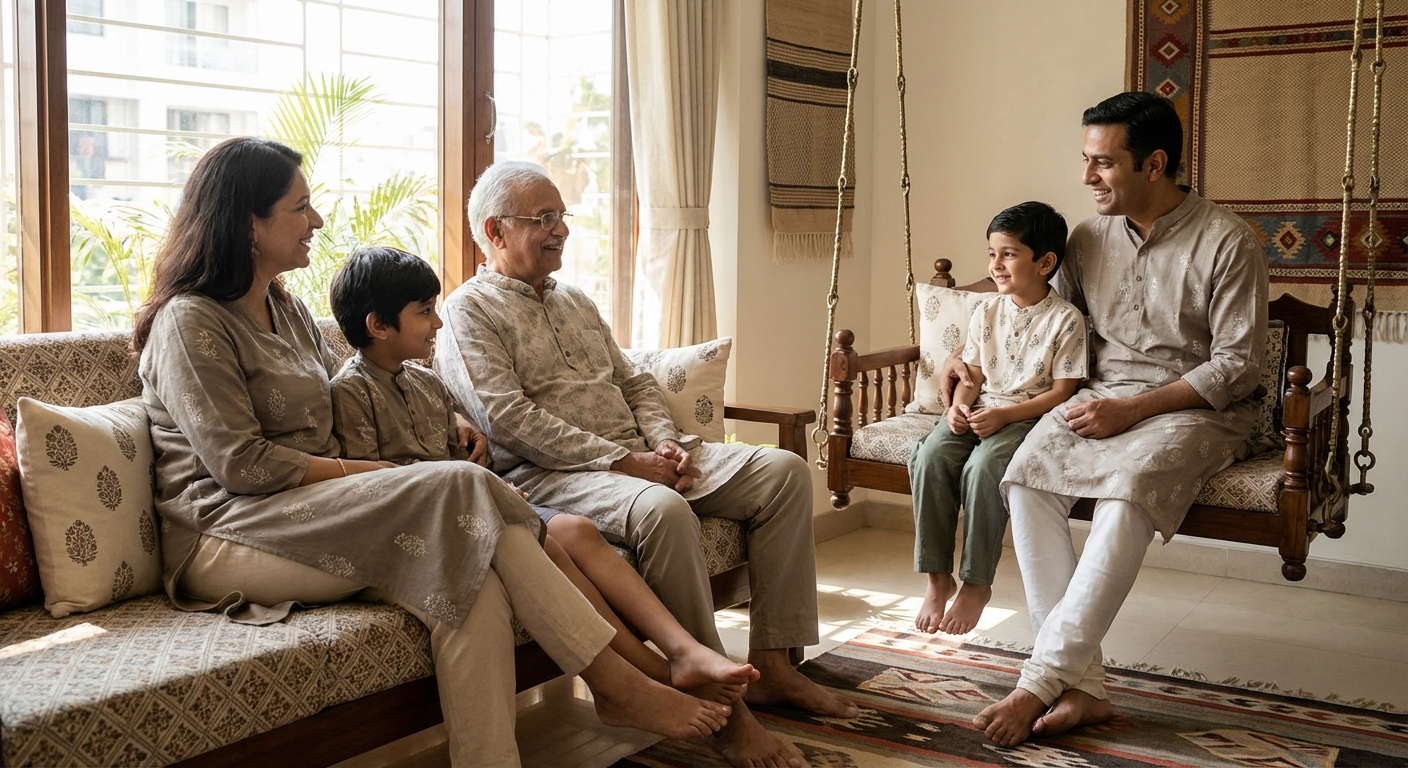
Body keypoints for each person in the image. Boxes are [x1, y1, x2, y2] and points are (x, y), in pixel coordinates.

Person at [133, 137, 732, 767]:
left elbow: (347, 387)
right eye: (300, 207)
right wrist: (380, 473)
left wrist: (445, 413)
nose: (315, 221)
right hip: (227, 530)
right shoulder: (189, 321)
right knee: (459, 487)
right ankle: (620, 683)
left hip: (315, 507)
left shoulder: (286, 308)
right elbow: (242, 466)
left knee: (469, 582)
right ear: (249, 222)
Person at [435, 160, 857, 768]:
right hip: (554, 476)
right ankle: (725, 708)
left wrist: (667, 446)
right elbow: (507, 421)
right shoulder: (467, 313)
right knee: (662, 512)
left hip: (641, 457)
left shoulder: (573, 298)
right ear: (495, 231)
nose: (561, 230)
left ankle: (773, 664)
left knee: (785, 472)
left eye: (563, 216)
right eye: (543, 219)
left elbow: (634, 381)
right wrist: (623, 462)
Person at [947, 93, 1268, 746]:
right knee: (1028, 476)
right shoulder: (1087, 239)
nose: (1086, 178)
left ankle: (1037, 683)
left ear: (1153, 164)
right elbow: (1039, 322)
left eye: (1102, 163)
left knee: (1128, 492)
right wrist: (966, 365)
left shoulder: (1229, 241)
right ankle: (1084, 688)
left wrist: (1136, 408)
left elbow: (1239, 366)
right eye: (1085, 161)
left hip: (1194, 409)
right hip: (1097, 400)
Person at [326, 245, 758, 698]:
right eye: (425, 312)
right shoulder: (351, 392)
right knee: (555, 540)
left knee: (578, 531)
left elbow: (454, 459)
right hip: (434, 521)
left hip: (479, 502)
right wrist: (489, 490)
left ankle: (678, 652)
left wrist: (483, 470)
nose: (437, 323)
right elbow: (376, 483)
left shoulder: (427, 383)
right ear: (378, 325)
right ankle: (655, 670)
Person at [910, 202, 1086, 637]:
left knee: (984, 467)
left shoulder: (1066, 320)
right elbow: (971, 374)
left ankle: (976, 582)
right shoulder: (985, 310)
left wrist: (1004, 414)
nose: (996, 264)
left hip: (1029, 417)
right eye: (992, 254)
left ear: (1045, 262)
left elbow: (1062, 392)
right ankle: (937, 578)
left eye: (1008, 254)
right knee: (931, 455)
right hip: (983, 408)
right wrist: (958, 407)